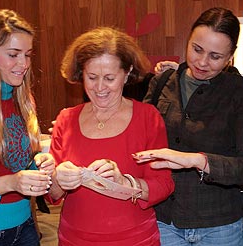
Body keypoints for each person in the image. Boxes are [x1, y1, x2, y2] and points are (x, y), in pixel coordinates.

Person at [47, 27, 175, 245]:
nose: (99, 88)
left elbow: (163, 185)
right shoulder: (66, 119)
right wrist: (58, 179)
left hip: (134, 239)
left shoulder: (147, 118)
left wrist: (123, 182)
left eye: (109, 78)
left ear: (127, 74)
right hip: (75, 239)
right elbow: (52, 195)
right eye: (92, 77)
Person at [133, 7, 243, 245]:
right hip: (165, 218)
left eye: (215, 56)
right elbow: (140, 138)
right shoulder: (163, 82)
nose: (202, 62)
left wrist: (197, 160)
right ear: (188, 39)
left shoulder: (237, 92)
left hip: (220, 224)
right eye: (197, 49)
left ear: (230, 55)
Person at [0, 9, 55, 246]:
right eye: (13, 54)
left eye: (28, 55)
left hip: (25, 224)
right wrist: (10, 183)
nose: (24, 64)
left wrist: (39, 161)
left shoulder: (23, 98)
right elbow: (11, 178)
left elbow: (20, 159)